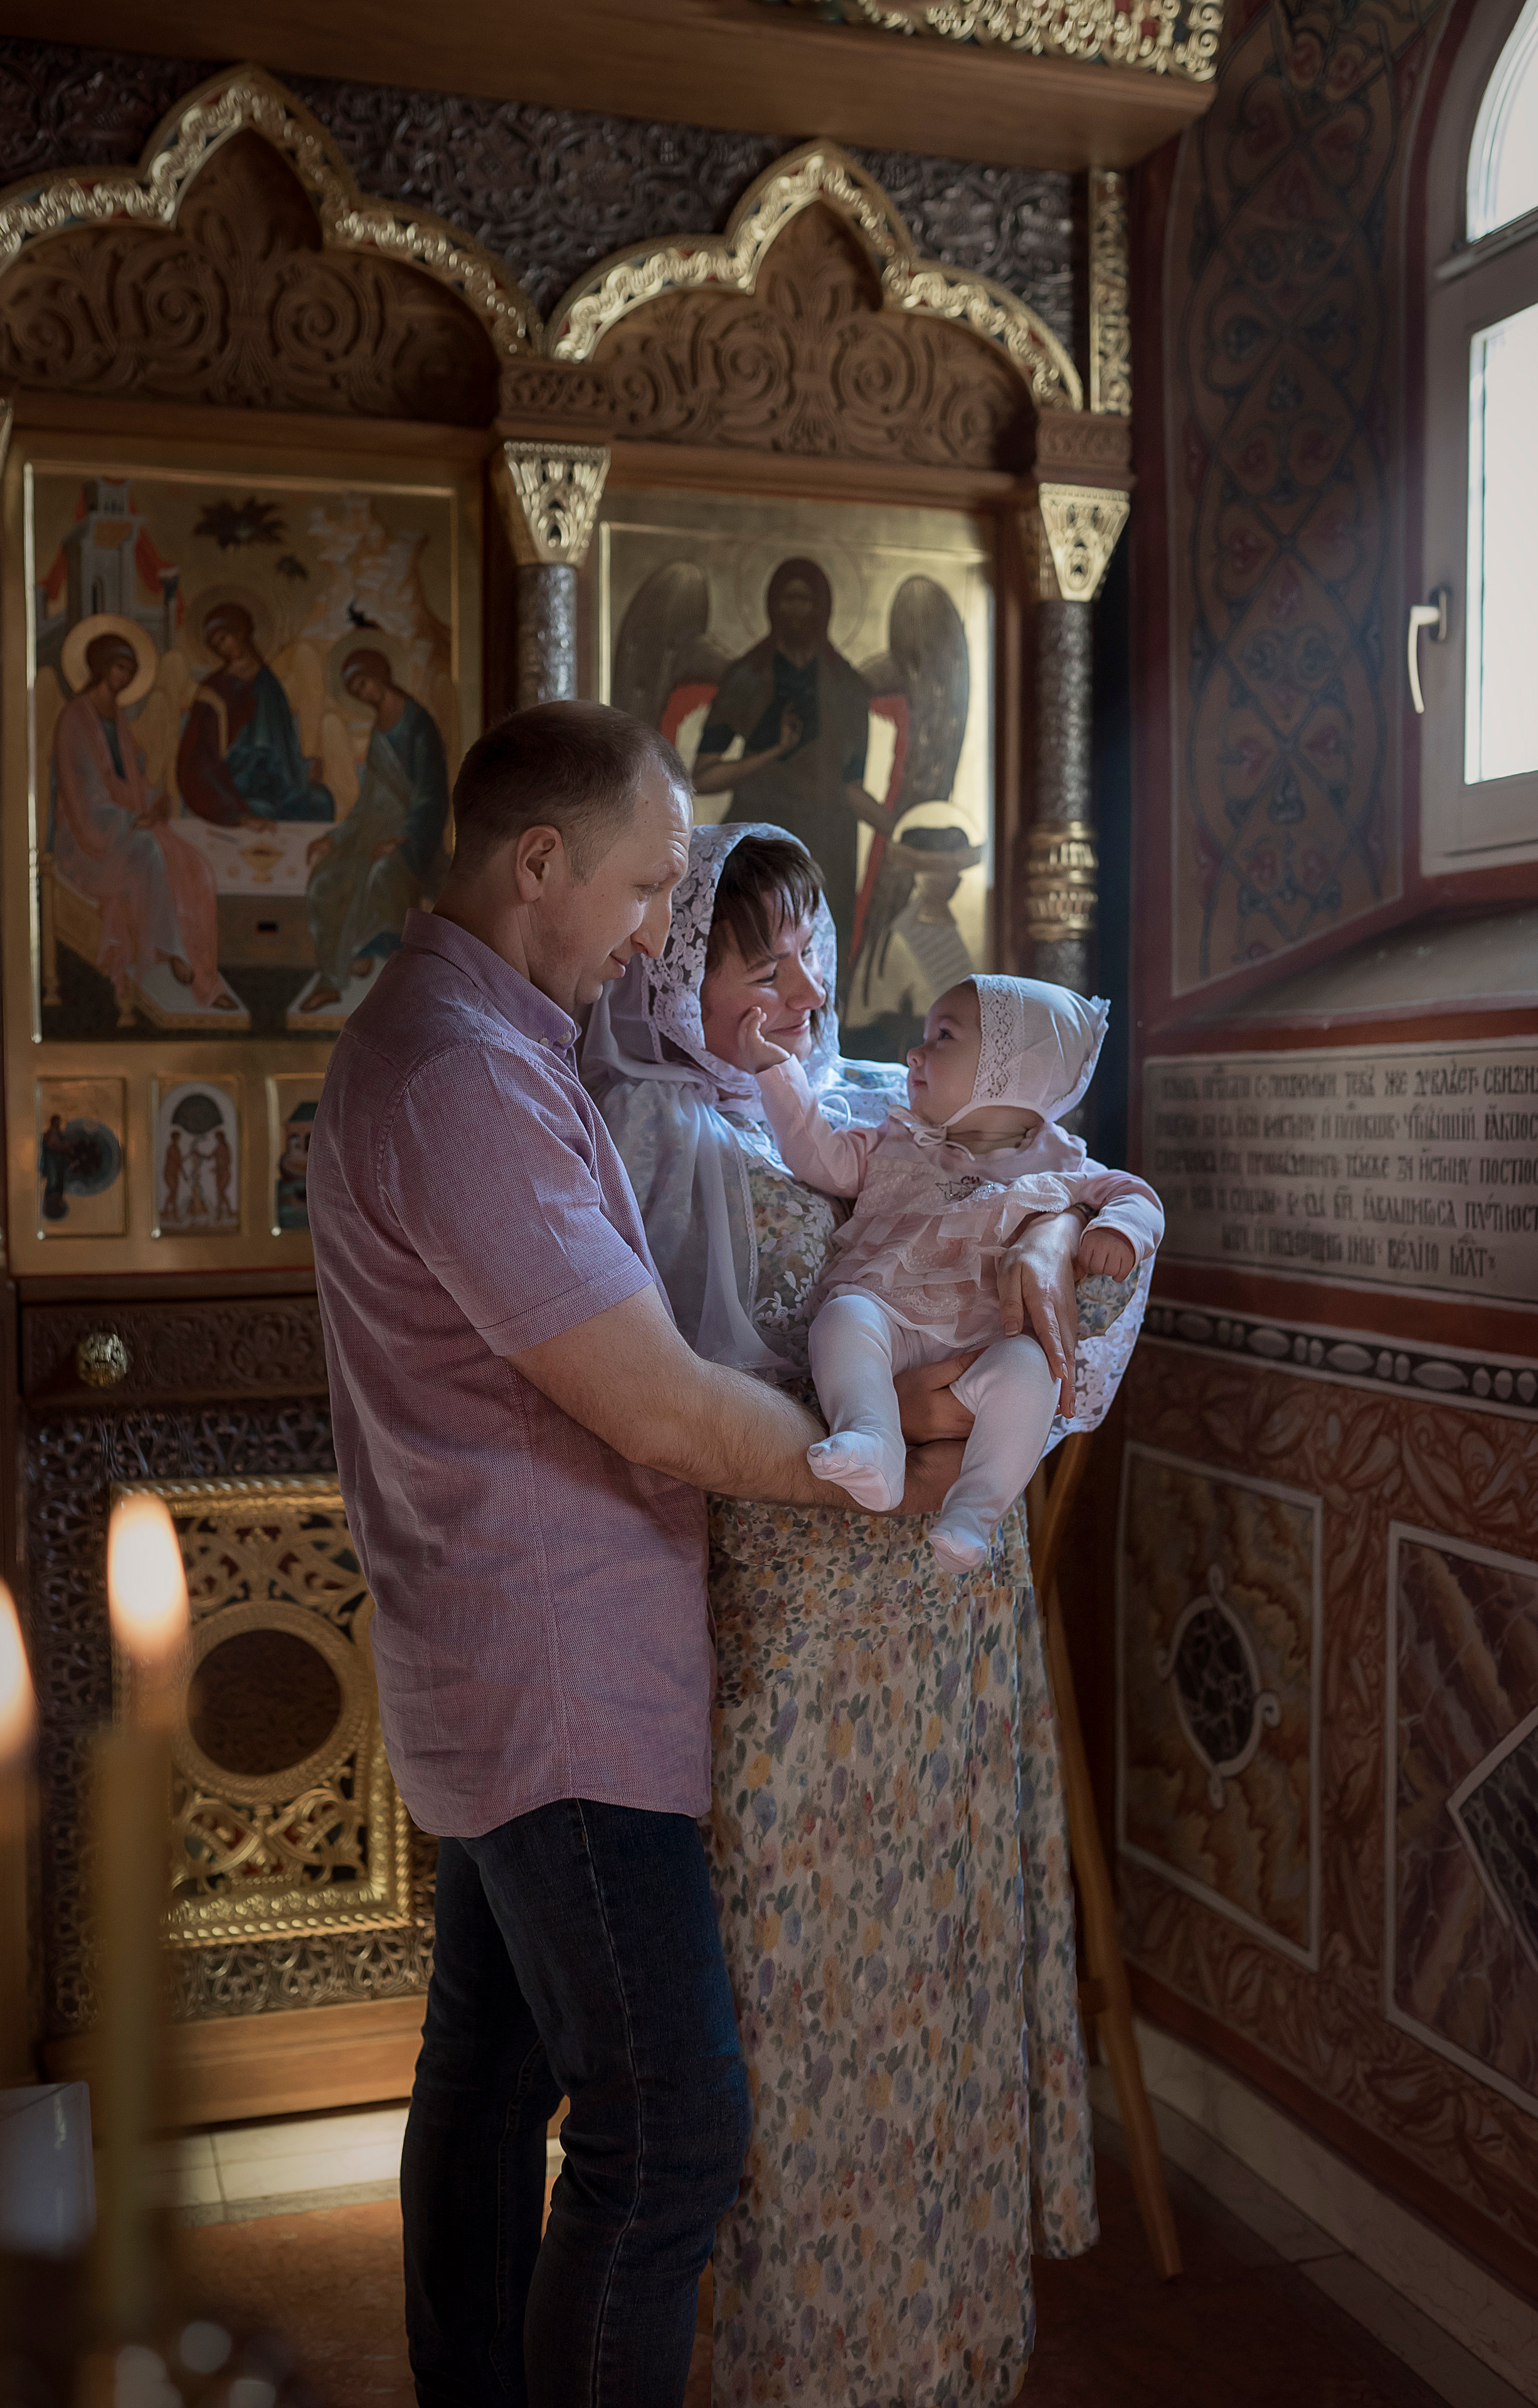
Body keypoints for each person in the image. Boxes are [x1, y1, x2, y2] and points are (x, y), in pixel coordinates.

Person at [307, 705, 971, 2408]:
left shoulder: (488, 1035)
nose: (654, 929)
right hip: (558, 1673)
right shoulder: (465, 1074)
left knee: (488, 2068)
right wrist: (887, 1460)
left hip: (506, 1653)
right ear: (540, 865)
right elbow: (663, 1412)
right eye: (646, 887)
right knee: (671, 2137)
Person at [583, 821, 1144, 2407]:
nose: (796, 982)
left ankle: (946, 2350)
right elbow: (674, 1404)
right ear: (670, 962)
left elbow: (1068, 1201)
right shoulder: (640, 1132)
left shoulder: (871, 1105)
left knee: (937, 1975)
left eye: (809, 939)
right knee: (791, 2003)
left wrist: (1054, 1230)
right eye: (748, 950)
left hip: (945, 1623)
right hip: (794, 1615)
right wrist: (919, 1402)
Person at [745, 973, 1164, 1570]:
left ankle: (975, 1512)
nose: (914, 1053)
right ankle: (872, 1438)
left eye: (943, 1036)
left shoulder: (1063, 1163)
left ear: (1012, 1071)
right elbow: (821, 1158)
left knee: (1032, 1370)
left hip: (982, 1347)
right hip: (890, 1323)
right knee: (842, 1318)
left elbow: (1138, 1195)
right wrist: (776, 1072)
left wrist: (1118, 1229)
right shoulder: (896, 1139)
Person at [693, 558, 892, 947]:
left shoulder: (848, 687)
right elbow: (702, 777)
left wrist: (902, 831)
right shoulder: (747, 676)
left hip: (829, 843)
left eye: (806, 601)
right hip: (761, 838)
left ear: (824, 609)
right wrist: (771, 753)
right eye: (788, 599)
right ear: (772, 605)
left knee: (821, 956)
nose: (797, 611)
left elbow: (851, 786)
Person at [52, 630, 232, 1013]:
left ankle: (194, 956)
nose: (124, 677)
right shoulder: (75, 718)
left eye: (130, 671)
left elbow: (127, 784)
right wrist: (136, 818)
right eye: (119, 667)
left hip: (120, 825)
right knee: (152, 849)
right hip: (85, 839)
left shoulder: (117, 719)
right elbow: (83, 795)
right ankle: (175, 951)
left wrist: (158, 803)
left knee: (194, 864)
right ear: (101, 667)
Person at [300, 649, 450, 1013]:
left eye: (364, 683)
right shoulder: (378, 729)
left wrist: (406, 837)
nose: (364, 693)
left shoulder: (417, 723)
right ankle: (339, 970)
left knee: (381, 875)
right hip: (371, 834)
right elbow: (369, 799)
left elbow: (432, 788)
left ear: (380, 673)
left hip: (414, 837)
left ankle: (361, 960)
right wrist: (333, 838)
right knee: (325, 880)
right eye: (356, 690)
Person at [176, 601, 336, 826]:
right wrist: (235, 810)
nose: (221, 649)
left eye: (223, 639)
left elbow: (284, 743)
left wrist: (303, 769)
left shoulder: (269, 682)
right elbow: (200, 756)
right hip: (238, 787)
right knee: (261, 810)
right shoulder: (213, 691)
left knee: (320, 801)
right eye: (215, 646)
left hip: (279, 784)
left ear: (241, 633)